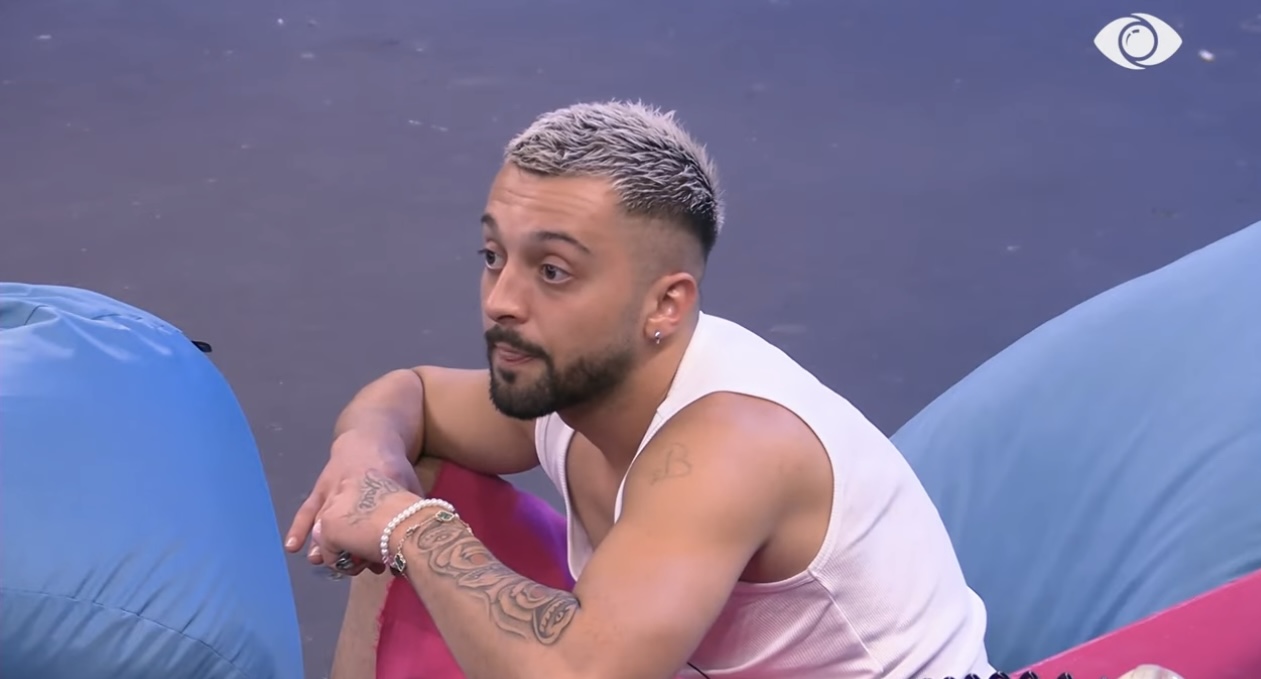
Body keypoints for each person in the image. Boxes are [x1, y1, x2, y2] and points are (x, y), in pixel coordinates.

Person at [286, 100, 994, 679]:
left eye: (553, 271)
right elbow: (409, 394)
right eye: (494, 256)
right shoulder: (573, 375)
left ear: (665, 305)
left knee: (407, 519)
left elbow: (580, 676)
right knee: (412, 472)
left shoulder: (732, 443)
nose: (502, 300)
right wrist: (366, 456)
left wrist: (410, 526)